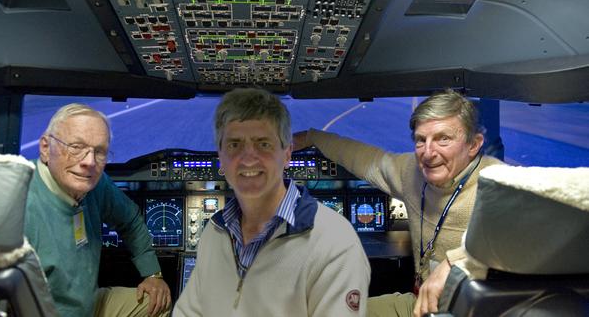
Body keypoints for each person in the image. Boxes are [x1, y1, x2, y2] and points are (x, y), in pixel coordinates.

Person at [293, 89, 504, 317]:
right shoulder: (411, 172)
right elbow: (366, 159)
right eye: (421, 140)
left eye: (444, 138)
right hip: (420, 303)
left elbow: (532, 237)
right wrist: (312, 137)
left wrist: (456, 263)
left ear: (473, 145)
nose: (428, 152)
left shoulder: (500, 183)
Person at [174, 88, 370, 316]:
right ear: (220, 157)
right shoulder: (213, 234)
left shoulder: (334, 242)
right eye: (234, 144)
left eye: (263, 144)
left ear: (287, 154)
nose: (248, 158)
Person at [23, 103, 171, 317]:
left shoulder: (96, 184)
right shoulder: (19, 203)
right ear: (46, 148)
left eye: (99, 152)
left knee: (157, 304)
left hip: (88, 305)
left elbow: (130, 220)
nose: (89, 162)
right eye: (76, 147)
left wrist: (153, 274)